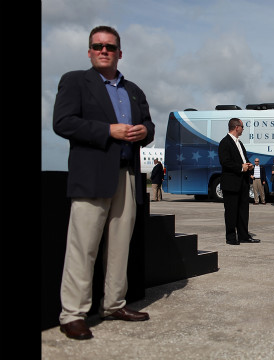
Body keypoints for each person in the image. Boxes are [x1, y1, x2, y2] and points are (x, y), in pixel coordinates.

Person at [52, 25, 154, 340]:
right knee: (83, 248)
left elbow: (148, 124)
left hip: (127, 174)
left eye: (109, 46)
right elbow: (63, 122)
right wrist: (109, 131)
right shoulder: (75, 81)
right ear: (89, 51)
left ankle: (114, 304)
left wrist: (144, 133)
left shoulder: (133, 90)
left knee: (120, 247)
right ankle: (73, 314)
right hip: (92, 175)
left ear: (119, 53)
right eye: (97, 46)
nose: (103, 50)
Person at [218, 118, 260, 245]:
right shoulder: (225, 142)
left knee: (243, 210)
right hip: (231, 183)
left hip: (242, 182)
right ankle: (230, 237)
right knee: (231, 211)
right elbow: (225, 162)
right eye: (242, 127)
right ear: (237, 127)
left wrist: (248, 166)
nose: (243, 129)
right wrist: (241, 167)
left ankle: (243, 235)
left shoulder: (239, 143)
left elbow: (243, 159)